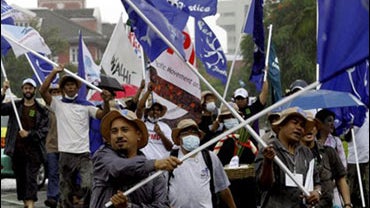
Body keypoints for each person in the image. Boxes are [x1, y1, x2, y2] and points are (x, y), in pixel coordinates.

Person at [39, 65, 112, 207]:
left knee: (88, 185)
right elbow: (42, 91)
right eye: (67, 85)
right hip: (65, 153)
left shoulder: (86, 105)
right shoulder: (57, 104)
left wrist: (106, 102)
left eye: (73, 85)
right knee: (66, 191)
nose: (70, 88)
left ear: (77, 88)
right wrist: (54, 72)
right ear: (63, 89)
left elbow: (103, 115)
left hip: (83, 153)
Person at [89, 109, 182, 207]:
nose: (119, 135)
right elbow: (117, 168)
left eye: (125, 130)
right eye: (114, 131)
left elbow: (162, 206)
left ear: (138, 135)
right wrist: (154, 164)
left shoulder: (154, 175)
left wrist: (129, 206)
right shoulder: (102, 157)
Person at [255, 107, 321, 208]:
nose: (299, 128)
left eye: (302, 125)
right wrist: (268, 163)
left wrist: (317, 193)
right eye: (295, 122)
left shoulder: (306, 152)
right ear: (281, 125)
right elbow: (264, 185)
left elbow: (316, 182)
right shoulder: (268, 150)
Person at [1, 78, 49, 208]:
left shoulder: (41, 110)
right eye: (26, 88)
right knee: (22, 183)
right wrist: (3, 90)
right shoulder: (15, 106)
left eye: (30, 88)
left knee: (31, 182)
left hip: (34, 153)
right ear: (22, 90)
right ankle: (27, 204)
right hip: (17, 152)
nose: (28, 91)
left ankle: (30, 204)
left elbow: (44, 130)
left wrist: (29, 134)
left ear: (34, 90)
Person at [168, 118, 237, 208]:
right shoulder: (170, 159)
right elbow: (160, 191)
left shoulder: (210, 157)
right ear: (178, 138)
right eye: (185, 133)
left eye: (194, 132)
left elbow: (223, 188)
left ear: (199, 136)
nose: (190, 135)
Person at [301, 113, 352, 208]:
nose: (309, 130)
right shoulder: (292, 154)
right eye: (305, 127)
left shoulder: (329, 152)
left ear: (317, 129)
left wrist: (347, 204)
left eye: (313, 126)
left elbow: (341, 178)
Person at [213, 103, 258, 208]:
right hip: (225, 191)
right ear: (222, 120)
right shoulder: (216, 140)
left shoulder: (249, 139)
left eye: (233, 116)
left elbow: (255, 160)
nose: (230, 119)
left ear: (239, 117)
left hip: (247, 190)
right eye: (227, 117)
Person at [136, 82, 174, 159]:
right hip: (144, 164)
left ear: (160, 113)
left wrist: (160, 134)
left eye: (158, 110)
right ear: (148, 111)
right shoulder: (142, 123)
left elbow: (170, 148)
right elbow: (139, 108)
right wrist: (148, 91)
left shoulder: (165, 127)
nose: (155, 112)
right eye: (152, 109)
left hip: (161, 166)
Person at [232, 80, 268, 147]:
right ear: (234, 100)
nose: (240, 100)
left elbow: (264, 94)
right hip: (235, 145)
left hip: (252, 146)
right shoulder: (231, 112)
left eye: (242, 98)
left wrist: (265, 80)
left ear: (247, 99)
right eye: (238, 98)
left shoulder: (253, 109)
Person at [345, 110, 369, 208]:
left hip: (367, 156)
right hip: (353, 158)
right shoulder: (348, 115)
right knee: (351, 189)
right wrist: (349, 128)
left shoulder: (367, 113)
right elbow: (345, 137)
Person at [44, 84, 62, 208]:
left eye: (58, 92)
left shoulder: (67, 107)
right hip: (51, 145)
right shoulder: (46, 109)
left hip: (66, 146)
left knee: (65, 173)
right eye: (53, 92)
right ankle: (52, 197)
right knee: (52, 172)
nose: (56, 94)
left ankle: (64, 196)